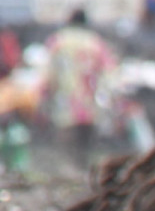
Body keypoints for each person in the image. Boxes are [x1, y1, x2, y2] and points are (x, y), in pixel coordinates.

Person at [45, 9, 114, 172]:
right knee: (86, 135)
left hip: (67, 94)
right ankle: (83, 167)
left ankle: (70, 167)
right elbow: (108, 69)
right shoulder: (95, 42)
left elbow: (49, 71)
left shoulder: (58, 41)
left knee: (67, 132)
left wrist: (48, 91)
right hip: (88, 95)